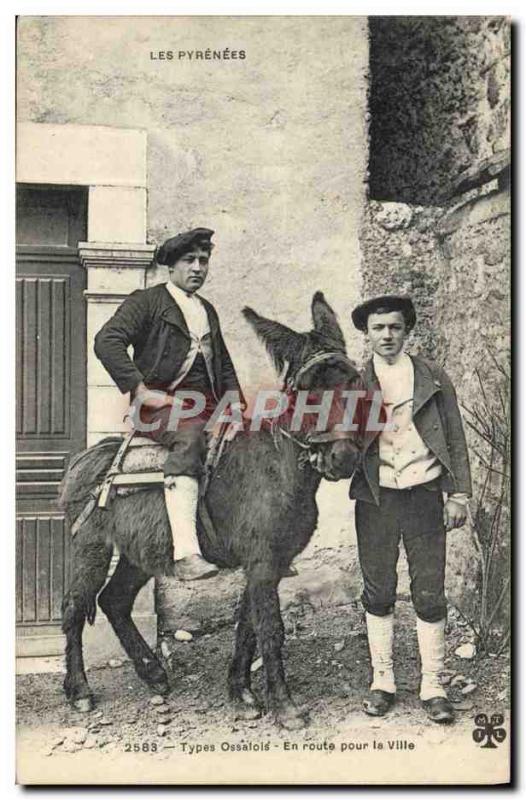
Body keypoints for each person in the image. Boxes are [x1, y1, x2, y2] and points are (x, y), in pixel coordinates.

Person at [94, 228, 244, 581]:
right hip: (160, 409)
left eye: (203, 261)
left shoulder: (207, 309)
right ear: (171, 267)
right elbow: (107, 341)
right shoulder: (146, 302)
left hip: (204, 406)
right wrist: (141, 389)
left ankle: (256, 544)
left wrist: (235, 406)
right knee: (189, 436)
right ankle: (186, 554)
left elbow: (222, 364)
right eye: (189, 261)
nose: (197, 268)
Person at [350, 295, 471, 724]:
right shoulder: (355, 383)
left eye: (395, 327)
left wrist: (458, 495)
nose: (387, 335)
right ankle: (382, 682)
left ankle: (433, 685)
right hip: (375, 498)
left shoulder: (432, 377)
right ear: (367, 333)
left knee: (428, 589)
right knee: (379, 588)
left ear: (407, 331)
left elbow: (454, 438)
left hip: (423, 494)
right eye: (378, 328)